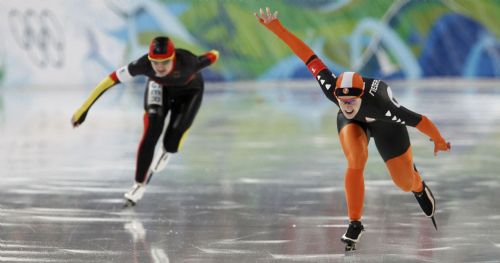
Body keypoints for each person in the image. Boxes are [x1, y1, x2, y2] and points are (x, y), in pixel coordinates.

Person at [255, 7, 450, 250]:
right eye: (341, 101)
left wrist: (439, 140)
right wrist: (277, 28)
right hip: (355, 126)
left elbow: (420, 121)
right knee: (356, 160)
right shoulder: (331, 87)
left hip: (385, 125)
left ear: (361, 97)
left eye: (351, 102)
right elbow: (306, 55)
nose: (346, 105)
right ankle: (354, 222)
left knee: (403, 182)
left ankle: (418, 186)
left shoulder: (383, 106)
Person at [71, 36, 219, 205]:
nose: (160, 67)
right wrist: (84, 110)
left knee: (172, 141)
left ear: (173, 58)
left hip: (189, 92)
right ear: (150, 60)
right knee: (151, 133)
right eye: (155, 62)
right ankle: (139, 184)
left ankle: (168, 149)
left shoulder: (189, 62)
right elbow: (109, 81)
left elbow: (212, 56)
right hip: (159, 88)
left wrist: (216, 51)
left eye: (165, 62)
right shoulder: (142, 64)